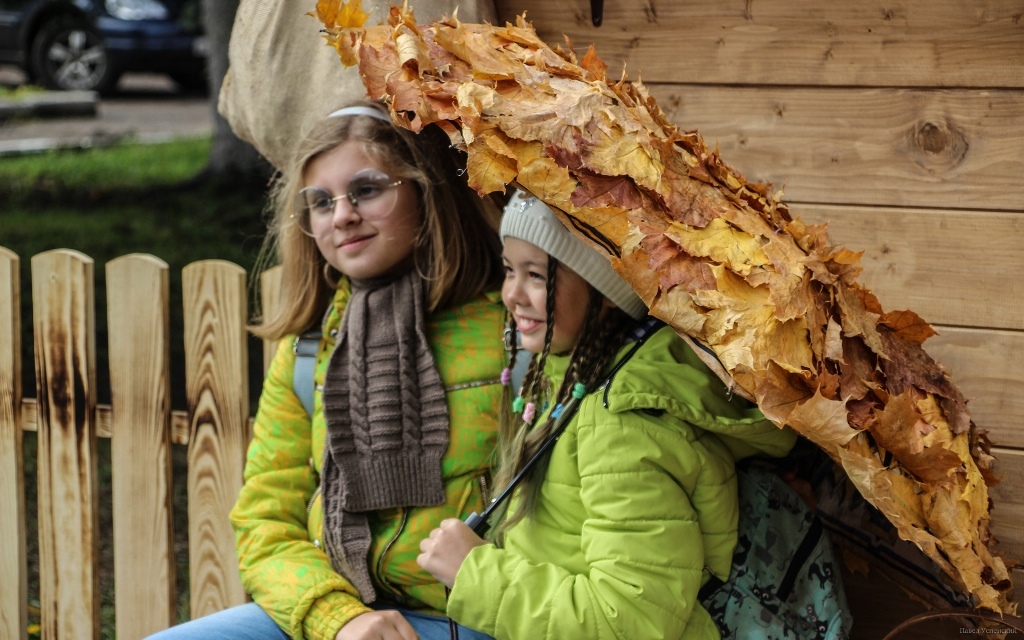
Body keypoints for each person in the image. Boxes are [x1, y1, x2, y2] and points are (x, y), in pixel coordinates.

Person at [147, 101, 506, 640]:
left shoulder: (513, 332)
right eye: (320, 202)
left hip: (476, 616)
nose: (342, 216)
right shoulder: (310, 350)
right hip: (339, 612)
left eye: (367, 189)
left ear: (425, 191)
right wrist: (339, 620)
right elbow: (266, 522)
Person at [416, 190, 799, 639]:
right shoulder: (568, 375)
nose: (511, 294)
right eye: (508, 270)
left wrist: (476, 575)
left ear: (607, 291)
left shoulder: (621, 424)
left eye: (537, 276)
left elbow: (631, 620)